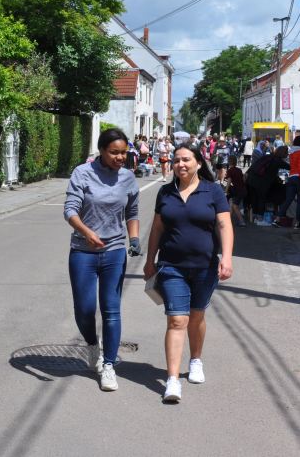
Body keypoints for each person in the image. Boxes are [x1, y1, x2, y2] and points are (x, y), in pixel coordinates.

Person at [143, 143, 233, 403]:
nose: (181, 164)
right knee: (176, 320)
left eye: (186, 159)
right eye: (176, 160)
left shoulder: (213, 191)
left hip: (205, 267)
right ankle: (172, 380)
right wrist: (151, 260)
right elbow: (158, 228)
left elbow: (224, 224)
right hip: (171, 266)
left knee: (196, 316)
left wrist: (226, 257)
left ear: (198, 162)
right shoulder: (165, 192)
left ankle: (195, 360)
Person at [63, 128, 140, 392]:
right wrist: (87, 232)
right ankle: (92, 346)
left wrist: (135, 238)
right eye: (114, 152)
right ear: (102, 151)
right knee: (84, 310)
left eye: (124, 152)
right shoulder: (82, 173)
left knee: (111, 310)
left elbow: (132, 211)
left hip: (115, 251)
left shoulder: (128, 177)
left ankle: (108, 365)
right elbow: (70, 210)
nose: (121, 157)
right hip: (83, 251)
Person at [274, 135, 300, 228]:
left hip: (291, 178)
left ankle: (277, 219)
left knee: (288, 200)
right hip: (298, 179)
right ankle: (297, 223)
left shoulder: (291, 153)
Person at [226, 155, 247, 227]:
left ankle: (242, 221)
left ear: (229, 162)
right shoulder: (239, 170)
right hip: (243, 189)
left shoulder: (230, 170)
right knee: (232, 204)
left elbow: (229, 181)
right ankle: (228, 220)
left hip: (238, 190)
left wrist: (226, 190)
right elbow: (243, 179)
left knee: (235, 206)